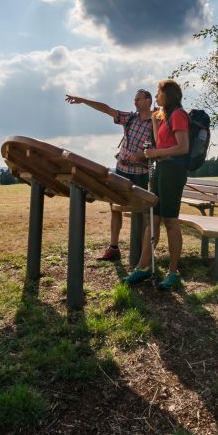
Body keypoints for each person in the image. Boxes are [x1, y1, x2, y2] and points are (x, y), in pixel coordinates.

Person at [65, 89, 155, 260]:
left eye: (138, 99)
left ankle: (144, 253)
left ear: (148, 101)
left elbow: (159, 149)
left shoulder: (156, 122)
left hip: (140, 173)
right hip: (121, 170)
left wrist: (141, 155)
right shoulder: (130, 118)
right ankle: (114, 248)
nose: (135, 102)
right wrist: (83, 100)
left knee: (143, 212)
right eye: (134, 99)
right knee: (115, 208)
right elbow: (107, 109)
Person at [126, 80, 189, 290]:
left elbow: (183, 147)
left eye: (158, 92)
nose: (156, 96)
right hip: (161, 169)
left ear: (167, 95)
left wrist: (155, 154)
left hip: (173, 171)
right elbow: (159, 142)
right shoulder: (165, 116)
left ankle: (173, 272)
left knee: (170, 221)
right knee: (152, 220)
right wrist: (154, 121)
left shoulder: (179, 114)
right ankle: (143, 267)